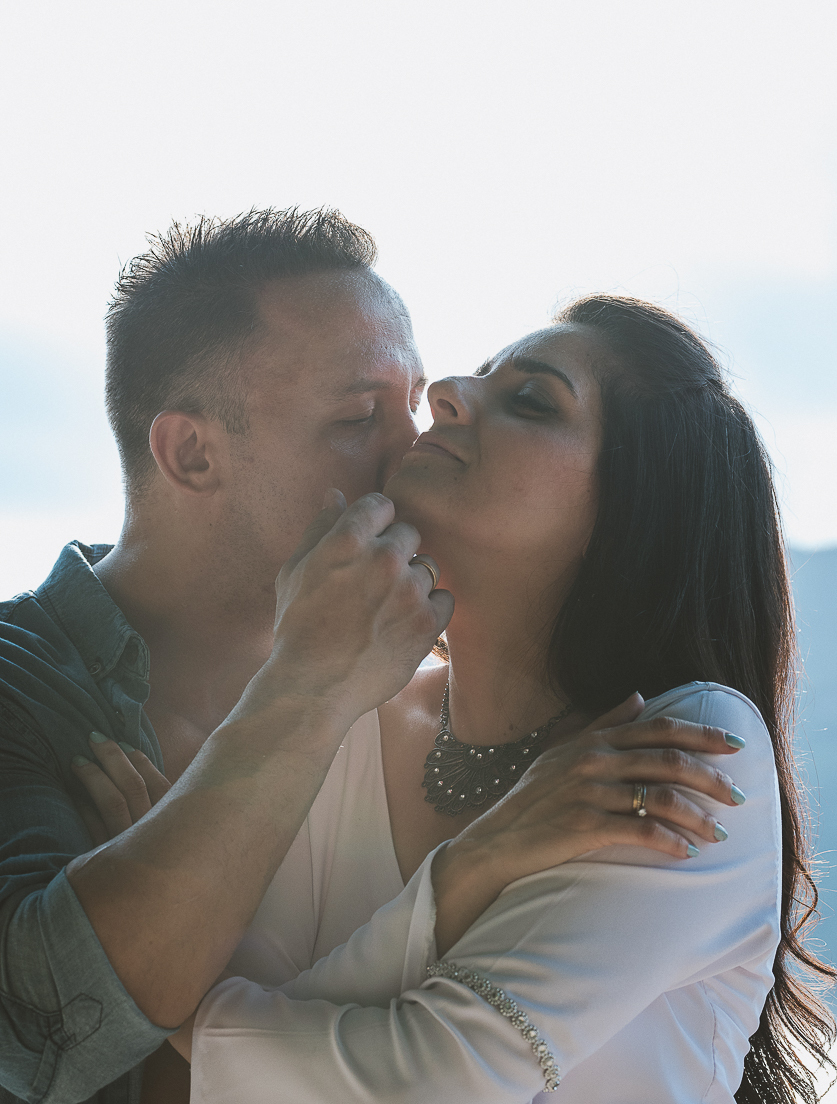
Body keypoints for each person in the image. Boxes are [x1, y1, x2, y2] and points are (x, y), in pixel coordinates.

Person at [0, 214, 724, 1104]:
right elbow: (36, 1038)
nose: (411, 443)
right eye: (356, 416)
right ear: (191, 453)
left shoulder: (404, 729)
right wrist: (307, 688)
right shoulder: (21, 686)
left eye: (411, 401)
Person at [125, 297, 832, 1102]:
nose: (445, 393)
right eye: (478, 376)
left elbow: (428, 1082)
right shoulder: (356, 720)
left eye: (531, 400)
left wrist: (189, 1013)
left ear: (634, 506)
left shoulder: (688, 750)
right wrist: (468, 869)